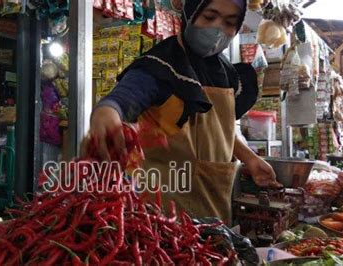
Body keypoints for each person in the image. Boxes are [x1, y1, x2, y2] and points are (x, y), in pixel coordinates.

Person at [87, 0, 282, 223]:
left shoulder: (227, 72)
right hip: (163, 213)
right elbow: (123, 99)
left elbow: (219, 128)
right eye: (209, 17)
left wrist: (249, 158)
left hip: (214, 204)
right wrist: (107, 112)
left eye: (229, 22)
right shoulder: (162, 64)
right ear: (190, 13)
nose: (218, 29)